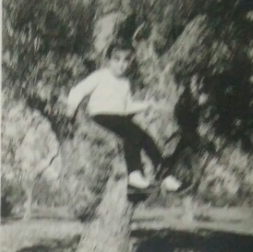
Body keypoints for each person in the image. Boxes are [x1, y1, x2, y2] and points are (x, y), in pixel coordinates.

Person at [65, 39, 182, 192]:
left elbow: (126, 107)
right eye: (117, 59)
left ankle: (165, 176)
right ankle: (134, 175)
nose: (121, 65)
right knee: (132, 132)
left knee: (145, 138)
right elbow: (77, 91)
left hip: (119, 118)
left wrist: (147, 105)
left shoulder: (125, 83)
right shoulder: (100, 76)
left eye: (126, 61)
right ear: (108, 60)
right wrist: (70, 115)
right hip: (101, 116)